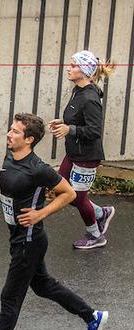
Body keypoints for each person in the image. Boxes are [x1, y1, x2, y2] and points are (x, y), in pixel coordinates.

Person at [0, 113, 108, 330]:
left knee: (10, 296)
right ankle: (92, 316)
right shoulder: (10, 156)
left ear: (29, 139)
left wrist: (41, 213)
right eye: (10, 129)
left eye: (16, 132)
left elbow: (69, 193)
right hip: (18, 236)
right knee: (42, 285)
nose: (9, 134)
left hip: (29, 241)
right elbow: (10, 184)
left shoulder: (38, 168)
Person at [48, 50, 118, 249]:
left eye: (74, 65)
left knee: (76, 197)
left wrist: (70, 129)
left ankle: (96, 235)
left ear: (85, 70)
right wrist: (64, 122)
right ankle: (100, 213)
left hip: (87, 157)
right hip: (74, 152)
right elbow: (80, 119)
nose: (69, 68)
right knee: (61, 189)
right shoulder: (77, 90)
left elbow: (94, 131)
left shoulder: (90, 98)